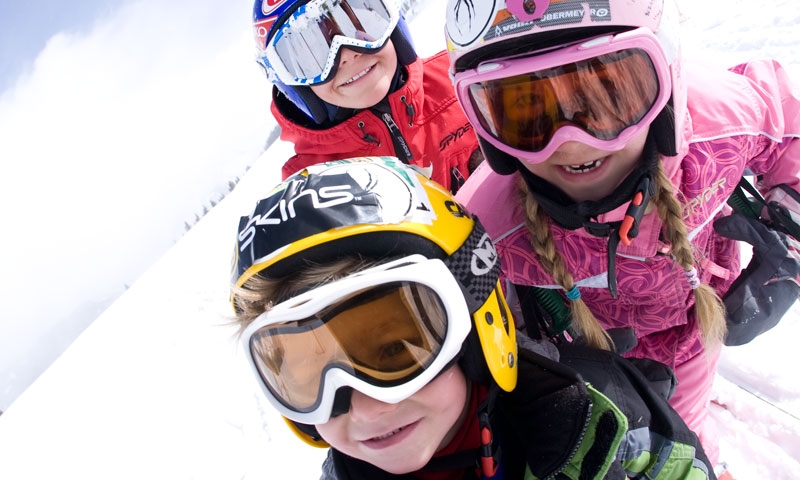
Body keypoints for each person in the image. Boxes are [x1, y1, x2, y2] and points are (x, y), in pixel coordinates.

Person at [444, 0, 800, 466]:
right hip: (591, 356)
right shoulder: (489, 226)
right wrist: (541, 369)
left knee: (687, 439)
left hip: (698, 327)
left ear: (665, 79)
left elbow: (786, 127)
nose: (572, 141)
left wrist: (789, 238)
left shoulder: (721, 127)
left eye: (608, 95)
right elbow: (463, 333)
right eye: (527, 113)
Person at [230, 156, 715, 479]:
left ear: (475, 322)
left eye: (396, 351)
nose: (366, 409)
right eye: (310, 376)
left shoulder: (600, 429)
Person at [252, 0, 482, 193]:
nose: (348, 55)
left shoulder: (465, 82)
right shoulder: (311, 185)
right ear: (292, 83)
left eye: (358, 24)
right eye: (315, 54)